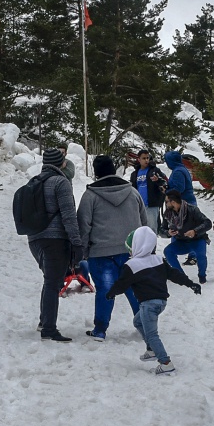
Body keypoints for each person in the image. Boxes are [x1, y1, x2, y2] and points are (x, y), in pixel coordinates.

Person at [107, 226, 200, 375]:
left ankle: (166, 363)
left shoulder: (131, 265)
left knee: (152, 334)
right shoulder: (158, 260)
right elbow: (174, 274)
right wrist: (191, 284)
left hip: (148, 305)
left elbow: (121, 284)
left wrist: (110, 294)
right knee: (137, 322)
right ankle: (151, 350)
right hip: (161, 302)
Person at [76, 155, 147, 342]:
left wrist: (82, 252)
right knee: (134, 289)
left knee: (106, 291)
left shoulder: (90, 196)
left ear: (96, 172)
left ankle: (100, 330)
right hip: (132, 252)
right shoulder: (133, 193)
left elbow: (84, 226)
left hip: (101, 252)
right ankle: (145, 326)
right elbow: (144, 221)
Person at [28, 146, 85, 342]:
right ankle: (49, 329)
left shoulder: (35, 181)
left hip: (35, 239)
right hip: (55, 239)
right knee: (53, 283)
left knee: (50, 280)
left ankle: (45, 322)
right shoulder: (61, 182)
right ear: (61, 163)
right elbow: (69, 216)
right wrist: (77, 243)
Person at [161, 189, 212, 283]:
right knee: (168, 251)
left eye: (166, 201)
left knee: (201, 256)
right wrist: (168, 232)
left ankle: (202, 275)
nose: (165, 204)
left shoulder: (192, 209)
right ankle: (181, 275)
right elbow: (161, 230)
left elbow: (208, 223)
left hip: (197, 239)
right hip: (181, 241)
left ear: (173, 202)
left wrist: (195, 231)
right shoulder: (167, 214)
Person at [132, 150, 168, 232]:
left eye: (148, 158)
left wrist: (158, 180)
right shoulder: (134, 174)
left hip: (151, 204)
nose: (146, 160)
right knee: (139, 229)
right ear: (139, 159)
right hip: (139, 205)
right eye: (144, 158)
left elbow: (165, 182)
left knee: (151, 229)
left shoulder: (155, 170)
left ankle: (152, 244)